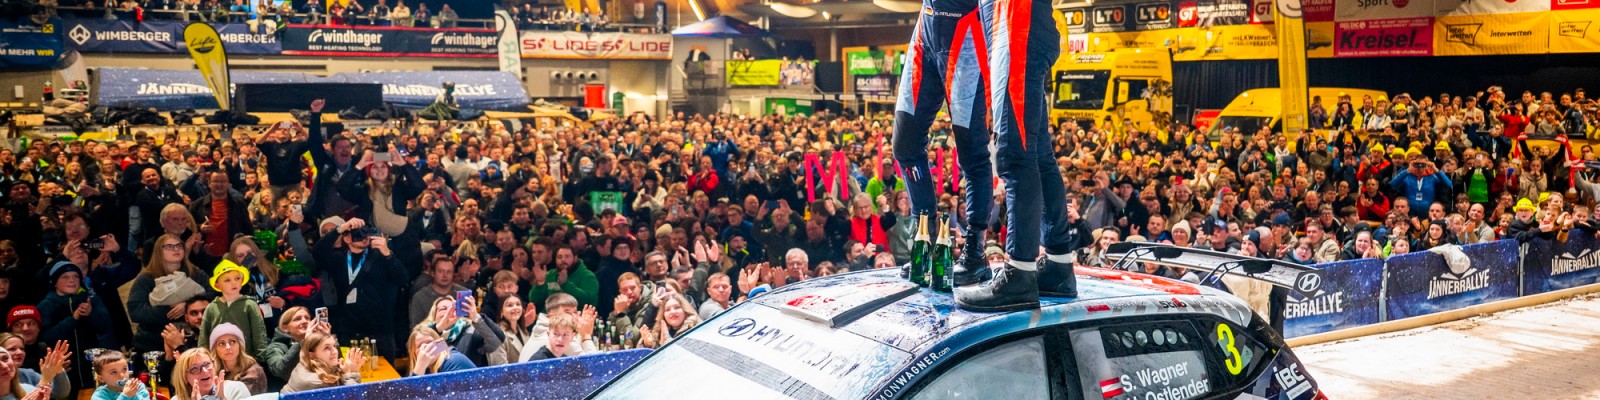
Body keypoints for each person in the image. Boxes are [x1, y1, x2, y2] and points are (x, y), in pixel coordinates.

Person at [314, 218, 407, 358]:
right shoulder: (339, 259)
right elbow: (318, 251)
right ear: (346, 238)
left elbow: (402, 279)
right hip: (348, 328)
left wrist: (388, 253)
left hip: (379, 330)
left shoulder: (380, 257)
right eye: (358, 233)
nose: (364, 237)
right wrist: (340, 228)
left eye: (366, 232)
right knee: (349, 370)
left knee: (384, 370)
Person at [36, 261, 115, 388]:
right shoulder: (46, 306)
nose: (72, 280)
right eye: (65, 277)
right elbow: (47, 337)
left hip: (92, 367)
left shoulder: (91, 300)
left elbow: (106, 328)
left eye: (76, 276)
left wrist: (92, 313)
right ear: (55, 282)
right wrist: (73, 319)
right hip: (64, 369)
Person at [197, 258, 267, 363]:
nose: (234, 283)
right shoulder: (211, 308)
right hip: (219, 362)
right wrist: (204, 359)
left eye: (237, 278)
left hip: (246, 361)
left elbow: (259, 333)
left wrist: (260, 358)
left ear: (242, 281)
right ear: (217, 285)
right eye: (227, 280)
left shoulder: (250, 304)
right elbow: (204, 337)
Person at [279, 332, 362, 393]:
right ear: (312, 355)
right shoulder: (319, 383)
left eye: (334, 346)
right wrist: (351, 374)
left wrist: (344, 372)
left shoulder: (305, 364)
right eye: (326, 348)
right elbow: (353, 396)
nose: (334, 351)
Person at [169, 348, 250, 400]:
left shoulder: (236, 389)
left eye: (207, 364)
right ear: (184, 377)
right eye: (194, 369)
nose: (205, 371)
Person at [206, 323, 265, 394]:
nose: (228, 347)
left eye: (232, 341)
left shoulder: (254, 373)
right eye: (221, 343)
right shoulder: (210, 373)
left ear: (239, 345)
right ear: (215, 349)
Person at [404, 326, 473, 376]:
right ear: (413, 353)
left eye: (430, 342)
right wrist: (420, 368)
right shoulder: (424, 370)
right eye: (420, 346)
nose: (427, 347)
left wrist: (420, 368)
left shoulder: (453, 360)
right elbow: (412, 391)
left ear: (439, 344)